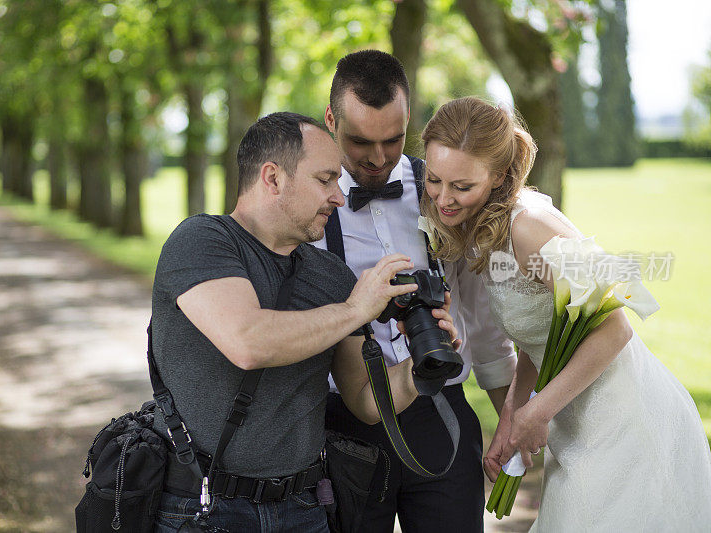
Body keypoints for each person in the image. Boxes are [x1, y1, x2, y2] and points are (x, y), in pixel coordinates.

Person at [150, 111, 459, 532]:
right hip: (203, 507)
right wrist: (355, 310)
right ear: (273, 178)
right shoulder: (202, 241)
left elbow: (366, 401)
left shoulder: (331, 275)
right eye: (325, 179)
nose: (338, 196)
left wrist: (423, 366)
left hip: (304, 508)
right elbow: (248, 342)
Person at [420, 96, 711, 531]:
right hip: (575, 428)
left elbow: (615, 328)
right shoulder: (485, 230)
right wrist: (511, 420)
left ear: (499, 176)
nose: (444, 199)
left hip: (626, 422)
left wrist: (537, 414)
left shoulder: (529, 225)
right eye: (433, 180)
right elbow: (538, 339)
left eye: (462, 187)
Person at [313, 50, 518, 533]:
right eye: (360, 141)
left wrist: (509, 423)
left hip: (440, 409)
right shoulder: (309, 202)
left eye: (393, 139)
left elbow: (486, 327)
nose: (379, 158)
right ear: (330, 119)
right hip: (344, 424)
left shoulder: (443, 191)